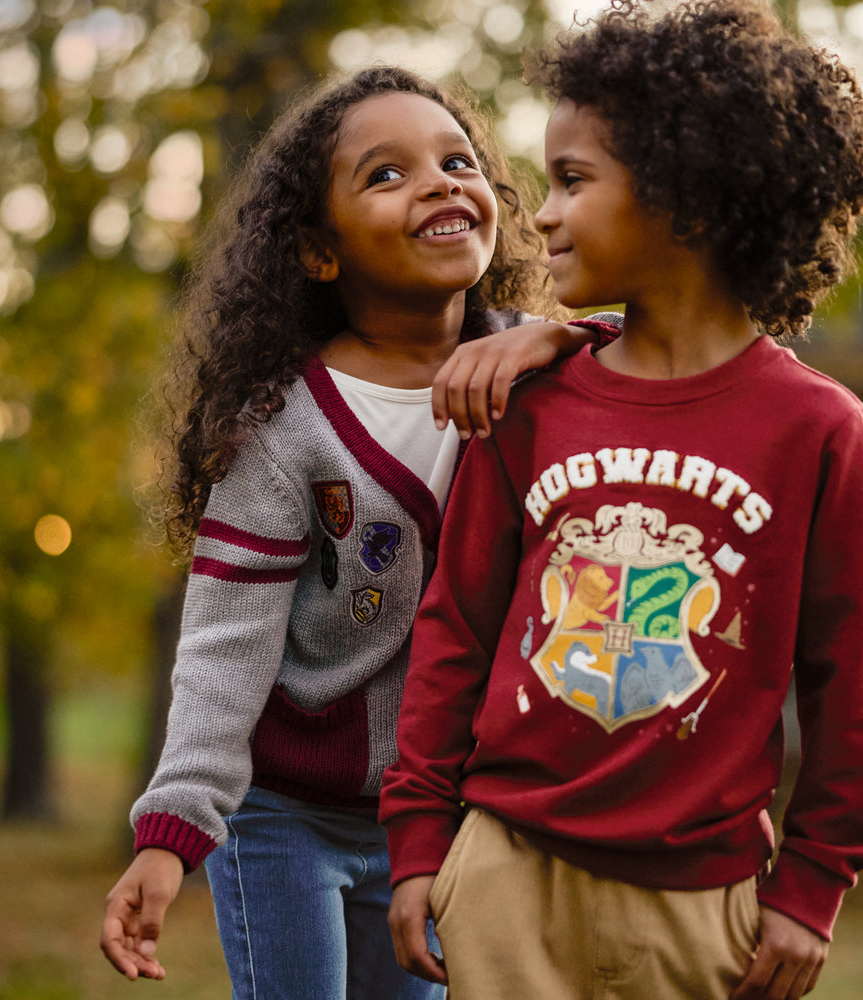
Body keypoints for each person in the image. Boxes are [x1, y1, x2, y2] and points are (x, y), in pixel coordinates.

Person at [381, 3, 863, 999]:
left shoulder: (823, 433)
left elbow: (851, 687)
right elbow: (454, 631)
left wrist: (811, 886)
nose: (538, 212)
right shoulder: (524, 400)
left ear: (689, 200)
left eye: (573, 180)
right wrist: (418, 843)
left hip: (701, 909)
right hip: (503, 873)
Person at [99, 65, 611, 1000]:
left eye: (459, 161)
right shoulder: (285, 430)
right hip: (284, 816)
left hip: (433, 818)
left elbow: (681, 343)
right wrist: (173, 831)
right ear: (318, 252)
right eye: (386, 174)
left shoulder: (543, 377)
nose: (440, 182)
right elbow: (224, 647)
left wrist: (562, 336)